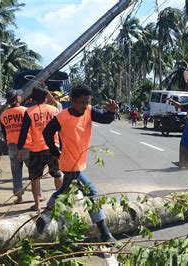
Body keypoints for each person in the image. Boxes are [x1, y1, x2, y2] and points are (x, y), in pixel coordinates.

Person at [39, 85, 118, 242]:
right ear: (72, 101)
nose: (85, 105)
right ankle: (105, 233)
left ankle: (45, 215)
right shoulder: (61, 117)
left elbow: (104, 119)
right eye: (82, 102)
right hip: (70, 164)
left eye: (87, 101)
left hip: (79, 162)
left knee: (64, 191)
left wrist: (111, 112)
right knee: (91, 193)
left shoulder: (88, 111)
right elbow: (47, 133)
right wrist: (55, 152)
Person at [17, 87, 63, 211]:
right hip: (53, 147)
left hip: (37, 149)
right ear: (45, 98)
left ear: (32, 98)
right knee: (57, 174)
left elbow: (23, 132)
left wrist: (19, 148)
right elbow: (61, 129)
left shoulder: (29, 112)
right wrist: (62, 147)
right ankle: (59, 203)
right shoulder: (54, 110)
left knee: (35, 178)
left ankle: (37, 205)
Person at [0, 89, 31, 204]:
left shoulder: (3, 114)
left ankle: (19, 198)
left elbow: (4, 133)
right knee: (33, 172)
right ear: (17, 99)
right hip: (27, 145)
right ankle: (38, 195)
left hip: (12, 146)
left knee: (16, 173)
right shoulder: (26, 111)